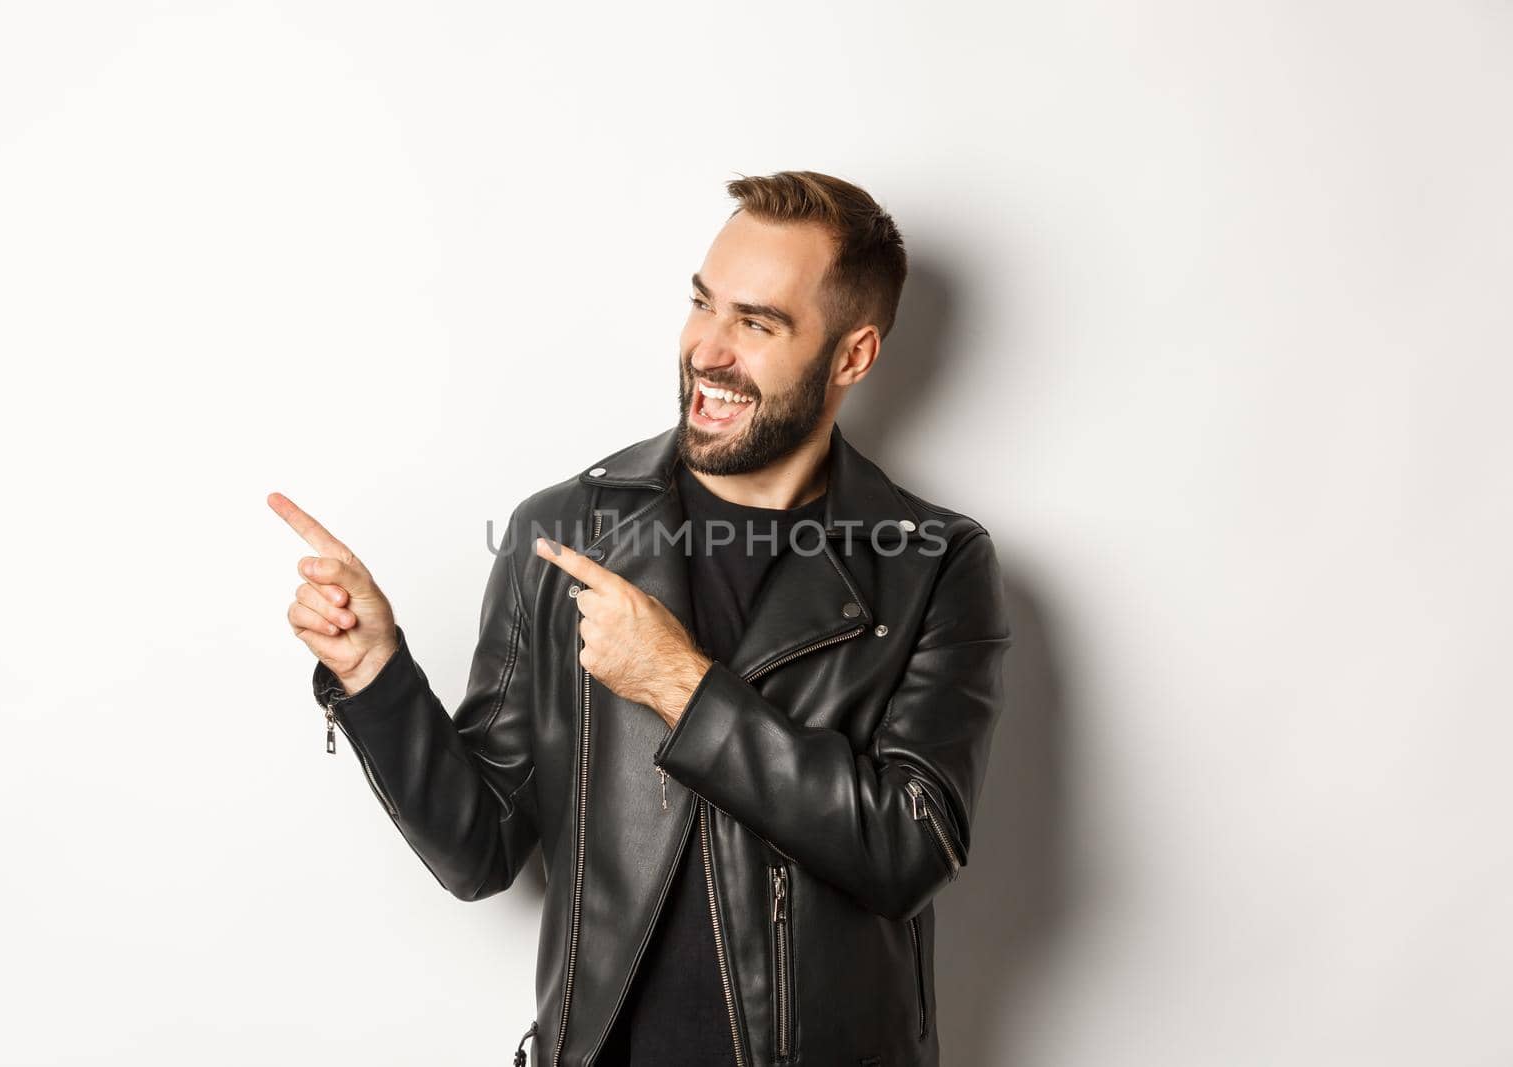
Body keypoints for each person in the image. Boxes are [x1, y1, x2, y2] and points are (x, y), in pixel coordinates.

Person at [268, 169, 1012, 1066]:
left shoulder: (933, 562)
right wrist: (374, 674)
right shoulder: (563, 534)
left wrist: (677, 682)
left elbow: (910, 845)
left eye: (758, 322)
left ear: (852, 356)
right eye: (705, 304)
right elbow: (479, 849)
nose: (709, 349)